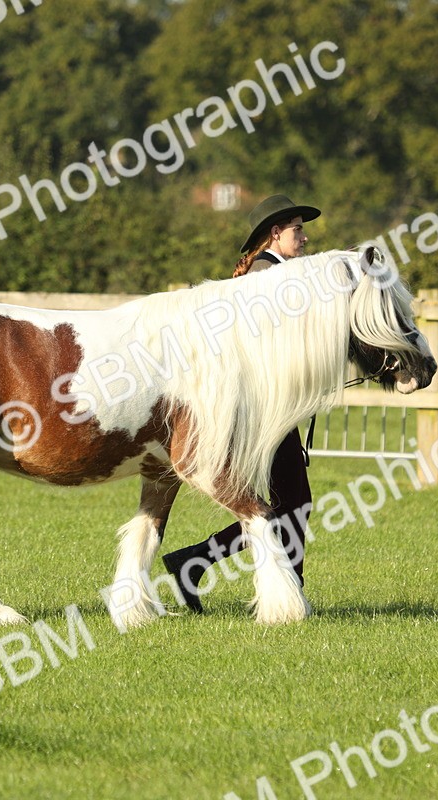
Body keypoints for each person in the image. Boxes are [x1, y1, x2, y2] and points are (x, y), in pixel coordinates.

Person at [161, 195, 320, 612]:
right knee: (293, 503)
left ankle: (192, 563)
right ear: (275, 234)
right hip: (263, 411)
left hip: (268, 409)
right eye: (297, 230)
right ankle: (290, 587)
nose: (304, 237)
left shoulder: (273, 273)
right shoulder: (268, 276)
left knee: (286, 504)